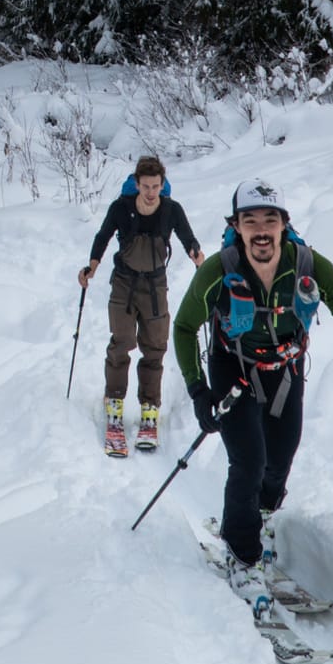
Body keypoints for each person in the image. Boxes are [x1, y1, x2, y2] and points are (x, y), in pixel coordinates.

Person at [173, 177, 333, 602]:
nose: (261, 229)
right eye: (250, 220)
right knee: (249, 460)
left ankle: (258, 518)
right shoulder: (219, 270)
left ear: (283, 223)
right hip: (234, 368)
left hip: (285, 366)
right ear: (236, 226)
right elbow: (185, 326)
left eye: (269, 219)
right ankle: (242, 557)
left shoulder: (309, 266)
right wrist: (197, 390)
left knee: (280, 458)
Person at [79, 155, 205, 457]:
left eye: (156, 186)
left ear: (163, 186)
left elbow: (188, 238)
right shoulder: (121, 208)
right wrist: (91, 268)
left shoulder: (171, 210)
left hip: (155, 287)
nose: (151, 192)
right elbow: (103, 236)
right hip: (123, 283)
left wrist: (199, 259)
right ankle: (115, 406)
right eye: (146, 186)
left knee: (154, 347)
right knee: (121, 343)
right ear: (136, 184)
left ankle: (150, 410)